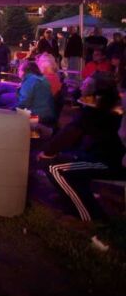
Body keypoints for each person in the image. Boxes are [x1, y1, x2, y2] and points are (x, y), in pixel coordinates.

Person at [39, 77, 124, 222]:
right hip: (100, 156)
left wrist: (47, 152)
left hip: (109, 162)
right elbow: (74, 136)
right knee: (64, 161)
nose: (82, 88)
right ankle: (70, 196)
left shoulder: (95, 111)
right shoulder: (111, 108)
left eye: (86, 86)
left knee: (54, 167)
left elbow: (70, 133)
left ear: (95, 94)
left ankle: (89, 217)